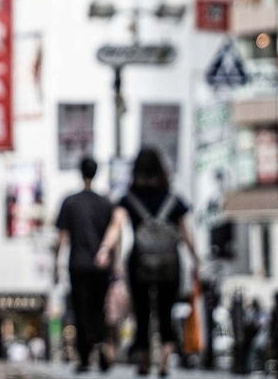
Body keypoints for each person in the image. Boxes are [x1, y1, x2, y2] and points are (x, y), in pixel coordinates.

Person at [96, 147, 200, 377]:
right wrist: (196, 260)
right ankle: (163, 362)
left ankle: (143, 362)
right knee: (166, 311)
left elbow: (116, 226)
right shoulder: (174, 200)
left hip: (139, 263)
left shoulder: (129, 199)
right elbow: (186, 233)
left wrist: (104, 249)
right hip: (170, 263)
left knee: (142, 312)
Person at [55, 156, 115, 373]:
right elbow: (113, 235)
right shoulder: (105, 203)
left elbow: (61, 237)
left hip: (77, 264)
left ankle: (84, 357)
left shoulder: (70, 201)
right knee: (99, 308)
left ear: (81, 173)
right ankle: (101, 346)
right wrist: (114, 263)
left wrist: (55, 264)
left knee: (80, 309)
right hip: (101, 266)